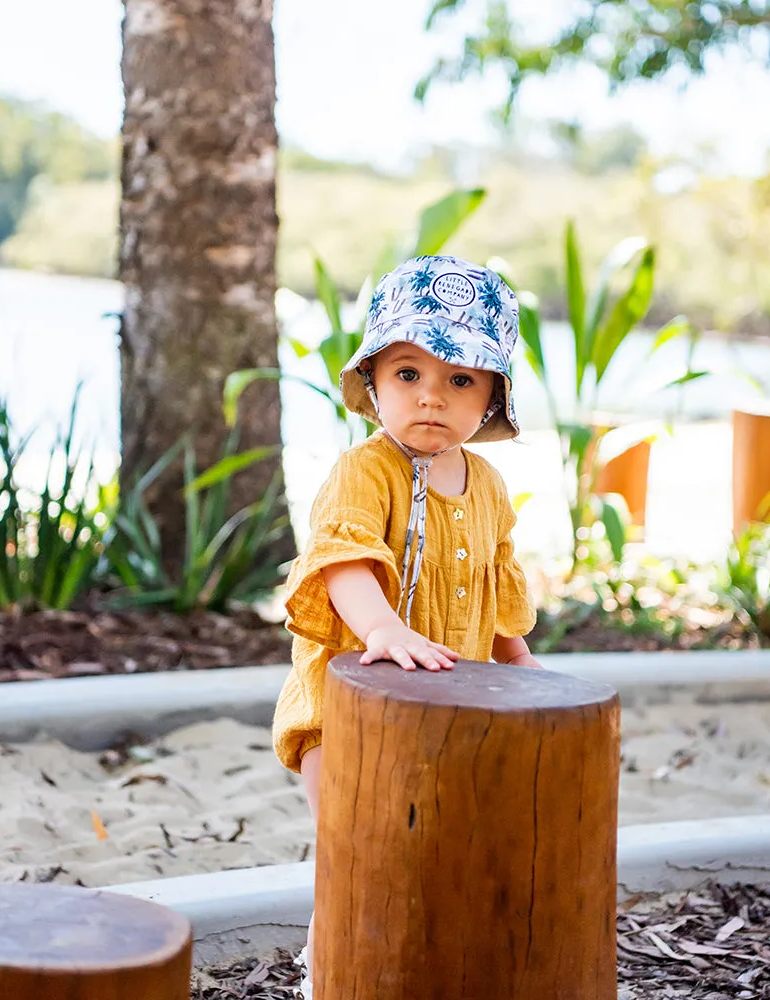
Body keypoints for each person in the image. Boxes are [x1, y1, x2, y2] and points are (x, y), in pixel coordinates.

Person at [272, 255, 541, 998]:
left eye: (460, 380)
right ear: (375, 382)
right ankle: (332, 976)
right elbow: (342, 560)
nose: (432, 397)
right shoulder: (367, 471)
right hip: (351, 709)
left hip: (449, 712)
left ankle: (423, 973)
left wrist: (516, 656)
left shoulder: (487, 484)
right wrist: (382, 629)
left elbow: (496, 577)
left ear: (491, 397)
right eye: (409, 374)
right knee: (359, 848)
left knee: (441, 852)